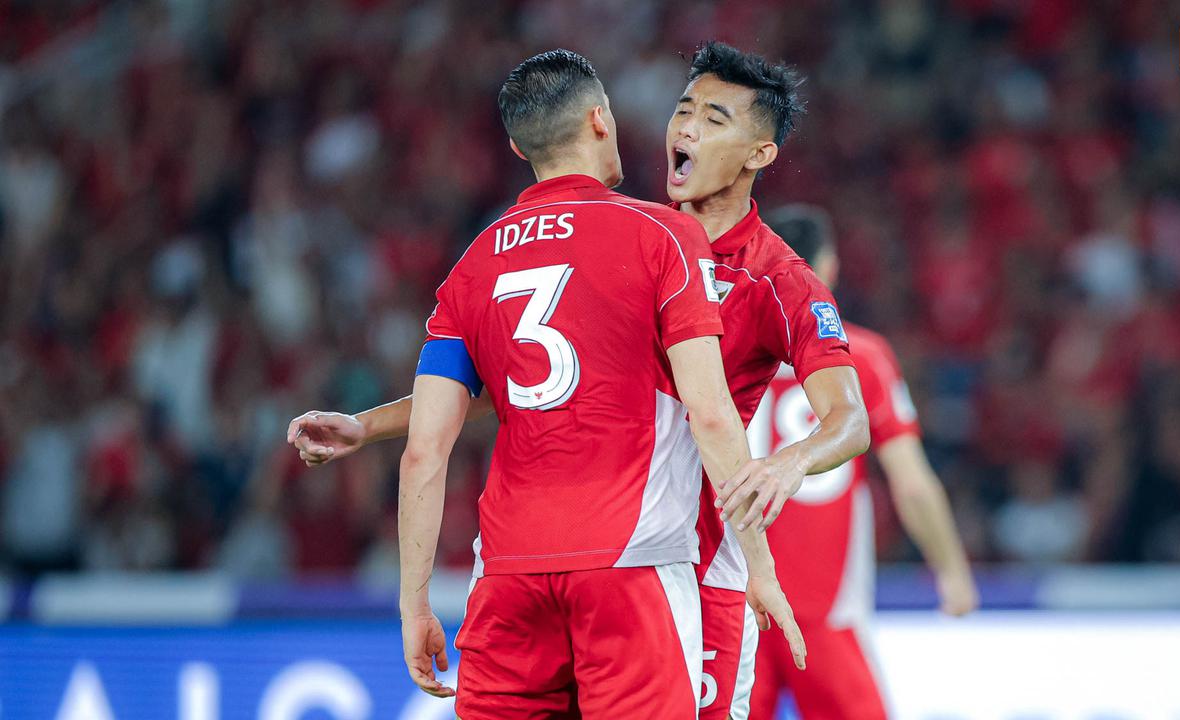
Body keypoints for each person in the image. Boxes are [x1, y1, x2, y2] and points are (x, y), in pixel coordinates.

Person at [290, 43, 867, 720]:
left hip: (703, 566)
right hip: (631, 563)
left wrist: (788, 465)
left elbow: (849, 420)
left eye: (713, 120)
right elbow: (530, 377)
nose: (685, 129)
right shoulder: (640, 237)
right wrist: (371, 423)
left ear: (758, 154)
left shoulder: (777, 279)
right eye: (683, 111)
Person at [747, 204, 979, 719]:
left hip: (736, 602)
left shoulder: (719, 349)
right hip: (824, 609)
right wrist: (951, 572)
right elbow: (912, 482)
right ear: (827, 270)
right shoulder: (861, 355)